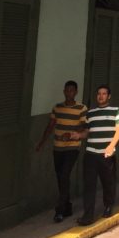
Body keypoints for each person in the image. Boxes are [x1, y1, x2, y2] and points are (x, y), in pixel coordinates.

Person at [35, 80, 87, 223]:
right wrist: (41, 142)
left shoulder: (81, 108)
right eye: (67, 90)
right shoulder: (57, 108)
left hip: (72, 147)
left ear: (76, 92)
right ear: (64, 91)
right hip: (58, 147)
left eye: (72, 90)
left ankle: (60, 210)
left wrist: (70, 134)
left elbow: (83, 127)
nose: (69, 93)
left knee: (64, 174)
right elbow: (51, 125)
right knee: (60, 177)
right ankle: (68, 205)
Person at [72, 85, 119, 225]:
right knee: (89, 186)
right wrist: (79, 135)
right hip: (90, 154)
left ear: (109, 96)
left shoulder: (116, 111)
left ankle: (108, 206)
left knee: (108, 182)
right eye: (99, 94)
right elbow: (87, 132)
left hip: (106, 155)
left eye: (104, 94)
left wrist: (111, 146)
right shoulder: (91, 113)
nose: (101, 96)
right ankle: (87, 216)